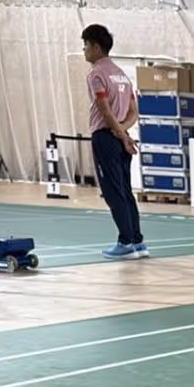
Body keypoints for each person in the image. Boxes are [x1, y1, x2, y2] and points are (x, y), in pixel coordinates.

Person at [79, 24, 145, 259]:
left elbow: (105, 110)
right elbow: (134, 112)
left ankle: (125, 242)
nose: (84, 50)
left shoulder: (97, 75)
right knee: (125, 190)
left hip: (106, 138)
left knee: (113, 191)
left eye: (86, 45)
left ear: (97, 47)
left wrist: (118, 133)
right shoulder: (122, 75)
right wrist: (124, 132)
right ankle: (138, 242)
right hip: (120, 137)